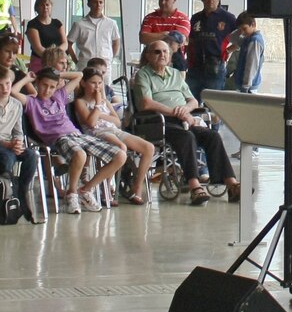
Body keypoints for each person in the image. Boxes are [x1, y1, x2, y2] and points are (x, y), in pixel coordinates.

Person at [132, 40, 237, 205]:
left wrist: (186, 109)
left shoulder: (175, 74)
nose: (162, 55)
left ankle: (231, 184)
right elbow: (146, 103)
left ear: (170, 55)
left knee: (212, 136)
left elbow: (193, 101)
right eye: (157, 52)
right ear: (148, 55)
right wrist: (176, 112)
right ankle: (194, 186)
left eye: (165, 52)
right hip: (158, 121)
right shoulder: (143, 74)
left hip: (183, 118)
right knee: (186, 137)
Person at [26, 66, 124, 212]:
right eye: (44, 85)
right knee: (80, 154)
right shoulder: (31, 102)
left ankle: (85, 190)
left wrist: (56, 74)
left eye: (52, 86)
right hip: (58, 138)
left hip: (77, 135)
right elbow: (13, 92)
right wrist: (28, 78)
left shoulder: (58, 96)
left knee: (120, 155)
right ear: (37, 84)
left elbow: (79, 74)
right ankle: (71, 193)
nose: (48, 90)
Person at [73, 61, 152, 204]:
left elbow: (117, 121)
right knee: (121, 147)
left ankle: (137, 188)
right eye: (93, 83)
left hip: (113, 129)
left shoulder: (104, 101)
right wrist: (97, 105)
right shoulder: (81, 102)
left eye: (99, 83)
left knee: (148, 148)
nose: (97, 86)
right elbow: (90, 123)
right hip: (97, 132)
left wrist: (100, 114)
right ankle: (107, 188)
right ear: (84, 83)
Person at [0, 66, 44, 215]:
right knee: (7, 156)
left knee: (31, 155)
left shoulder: (16, 104)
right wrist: (8, 144)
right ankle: (5, 191)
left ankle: (21, 191)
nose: (5, 88)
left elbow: (18, 131)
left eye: (7, 84)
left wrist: (18, 143)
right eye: (0, 85)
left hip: (8, 143)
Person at [187, 0, 237, 100]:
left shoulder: (228, 18)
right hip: (195, 68)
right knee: (191, 102)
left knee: (213, 105)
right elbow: (191, 41)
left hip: (216, 68)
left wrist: (229, 50)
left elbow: (243, 36)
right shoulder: (195, 18)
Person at [68, 0, 121, 69]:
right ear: (88, 4)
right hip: (85, 65)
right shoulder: (79, 24)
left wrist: (110, 59)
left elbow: (116, 42)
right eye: (95, 2)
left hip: (105, 66)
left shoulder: (111, 23)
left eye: (101, 2)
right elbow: (68, 44)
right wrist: (76, 61)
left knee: (105, 82)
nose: (98, 5)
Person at [228, 11, 264, 93]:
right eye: (240, 30)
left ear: (253, 24)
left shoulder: (254, 41)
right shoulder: (247, 38)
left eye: (244, 29)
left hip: (249, 87)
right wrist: (239, 31)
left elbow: (251, 65)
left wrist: (246, 86)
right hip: (244, 84)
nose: (242, 32)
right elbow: (231, 38)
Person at [26, 0, 65, 70]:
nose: (45, 8)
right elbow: (38, 48)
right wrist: (53, 56)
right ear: (37, 8)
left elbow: (65, 43)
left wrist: (57, 54)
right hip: (40, 63)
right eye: (42, 5)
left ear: (51, 6)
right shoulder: (32, 24)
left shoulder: (57, 23)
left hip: (58, 63)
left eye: (47, 5)